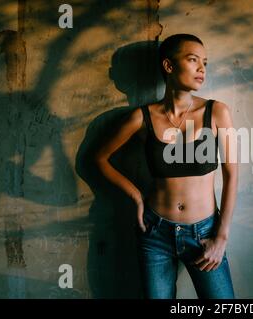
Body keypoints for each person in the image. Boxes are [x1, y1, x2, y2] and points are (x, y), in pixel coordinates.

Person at [94, 34, 238, 299]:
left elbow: (231, 175)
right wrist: (136, 197)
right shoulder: (142, 117)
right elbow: (100, 159)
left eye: (204, 62)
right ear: (169, 66)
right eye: (193, 60)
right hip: (155, 233)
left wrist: (221, 237)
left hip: (204, 233)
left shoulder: (217, 112)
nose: (202, 69)